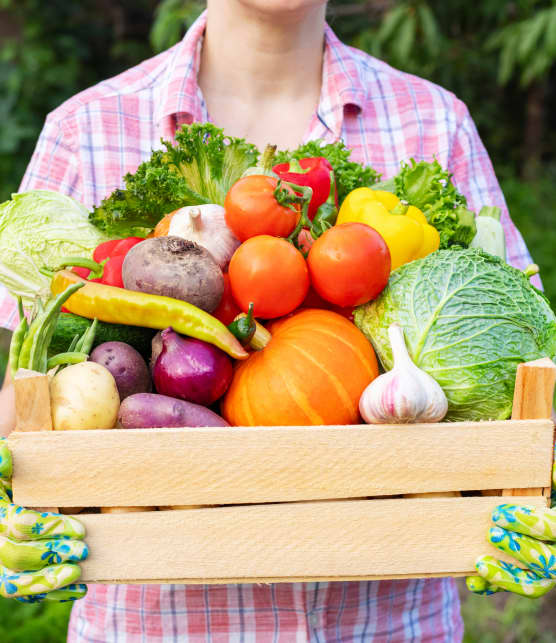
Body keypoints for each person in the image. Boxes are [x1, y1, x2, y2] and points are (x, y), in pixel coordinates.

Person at [0, 1, 553, 641]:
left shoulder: (434, 124)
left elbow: (531, 362)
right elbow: (19, 392)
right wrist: (14, 501)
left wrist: (534, 487)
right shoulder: (88, 129)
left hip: (392, 626)